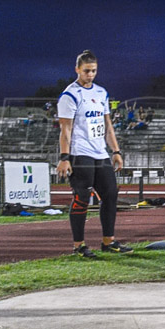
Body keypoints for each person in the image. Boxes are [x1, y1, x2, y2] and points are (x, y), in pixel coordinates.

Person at [55, 50, 133, 258]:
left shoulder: (101, 93)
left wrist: (115, 151)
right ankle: (79, 245)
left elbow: (107, 125)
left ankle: (109, 241)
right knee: (81, 197)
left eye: (94, 71)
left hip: (100, 153)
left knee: (110, 194)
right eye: (87, 71)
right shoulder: (69, 95)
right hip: (80, 153)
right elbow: (66, 129)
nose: (90, 75)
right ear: (77, 70)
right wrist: (64, 158)